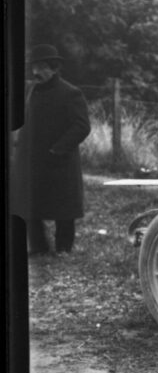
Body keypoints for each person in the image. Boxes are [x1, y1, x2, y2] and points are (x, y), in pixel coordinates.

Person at [11, 44, 92, 255]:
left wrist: (58, 150)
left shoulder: (70, 93)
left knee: (63, 208)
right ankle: (38, 248)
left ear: (54, 68)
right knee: (28, 206)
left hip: (59, 161)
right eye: (34, 67)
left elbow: (82, 126)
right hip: (30, 160)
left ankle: (64, 248)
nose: (36, 72)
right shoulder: (30, 91)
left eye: (42, 67)